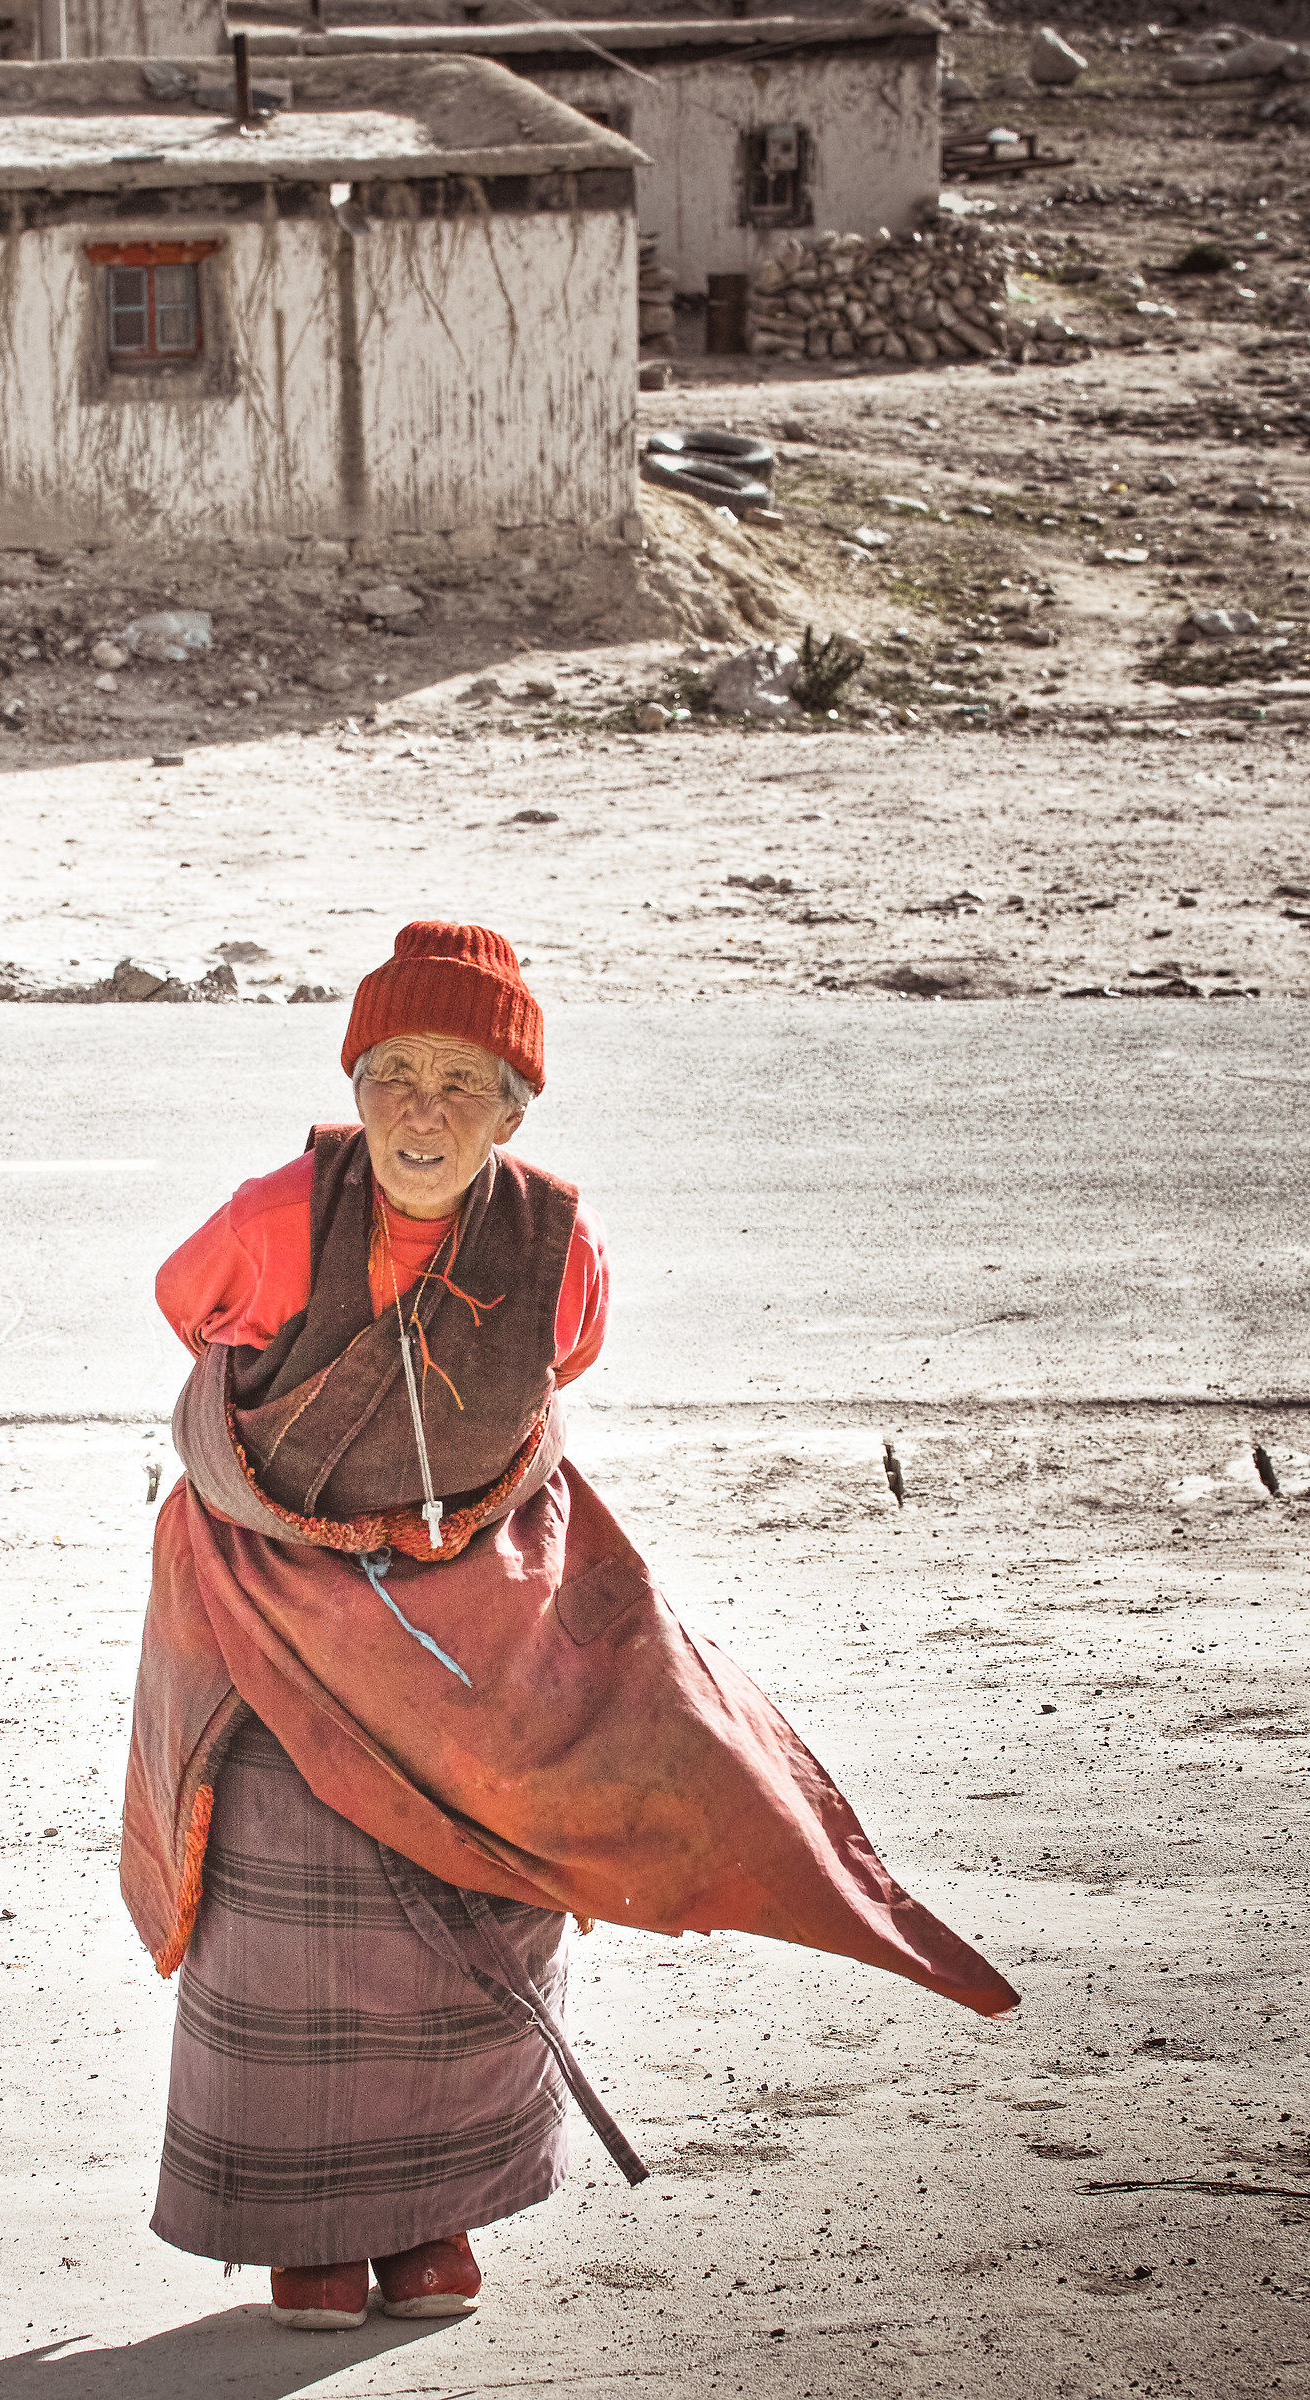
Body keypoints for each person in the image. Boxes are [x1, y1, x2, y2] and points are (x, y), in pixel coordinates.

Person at [122, 920, 1015, 2332]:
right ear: (355, 1083)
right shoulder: (270, 1214)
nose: (422, 1112)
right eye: (395, 1074)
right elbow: (198, 1316)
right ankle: (306, 2235)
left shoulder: (555, 1236)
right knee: (290, 1897)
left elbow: (561, 1357)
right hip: (275, 1601)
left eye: (462, 1083)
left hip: (473, 1603)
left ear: (513, 1107)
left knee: (487, 1882)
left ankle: (432, 2221)